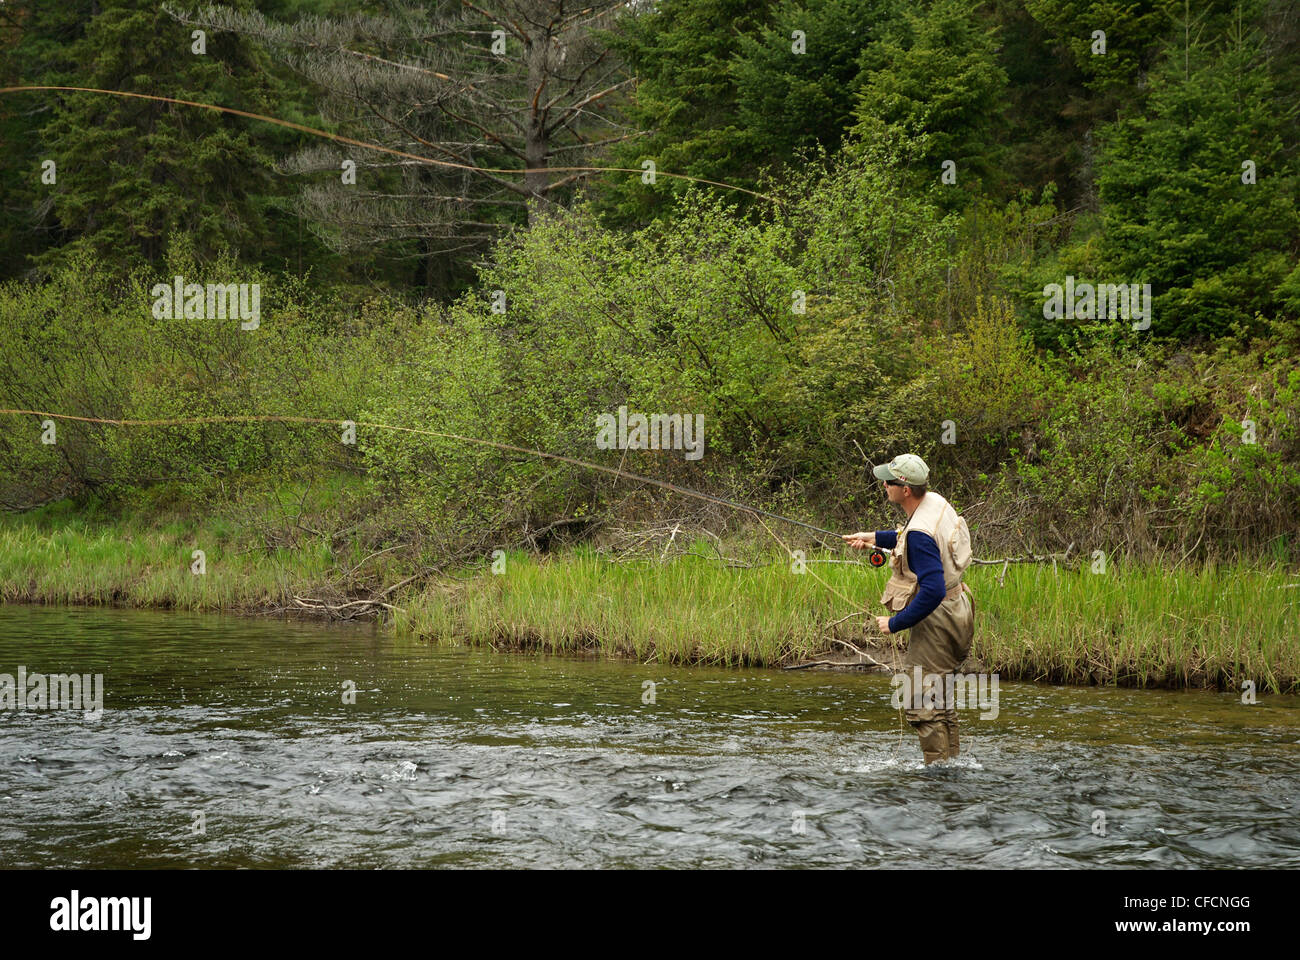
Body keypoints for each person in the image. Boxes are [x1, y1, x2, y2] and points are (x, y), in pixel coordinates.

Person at [842, 454, 974, 764]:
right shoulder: (934, 503)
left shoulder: (919, 534)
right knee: (939, 700)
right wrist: (872, 537)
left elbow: (932, 589)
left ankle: (937, 777)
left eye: (889, 481)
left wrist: (895, 622)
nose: (884, 485)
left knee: (921, 702)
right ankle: (949, 767)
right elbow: (908, 539)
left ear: (904, 489)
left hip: (938, 619)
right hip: (960, 608)